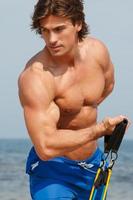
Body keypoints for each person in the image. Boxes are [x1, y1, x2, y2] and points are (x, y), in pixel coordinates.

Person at [18, 0, 129, 199]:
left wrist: (77, 114)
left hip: (92, 167)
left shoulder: (97, 52)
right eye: (45, 31)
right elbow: (45, 147)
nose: (51, 39)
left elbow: (108, 87)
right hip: (53, 171)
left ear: (77, 23)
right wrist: (99, 130)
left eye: (59, 29)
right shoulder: (36, 76)